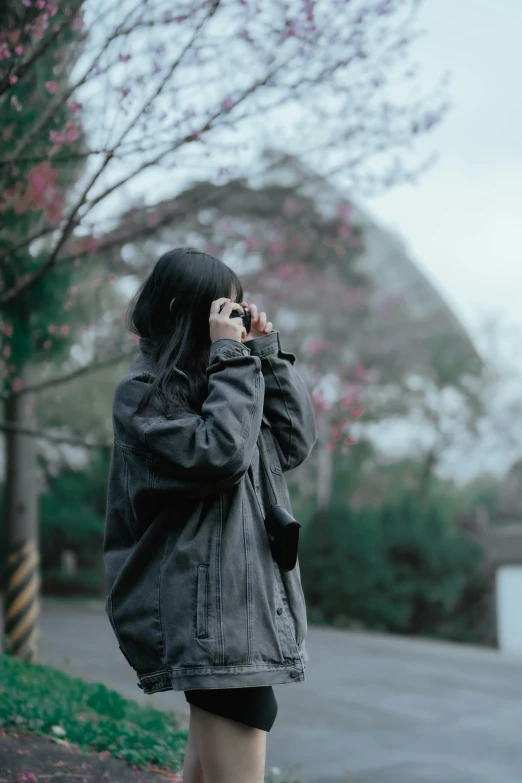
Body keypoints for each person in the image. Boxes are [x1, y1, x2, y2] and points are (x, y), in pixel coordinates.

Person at [103, 247, 317, 783]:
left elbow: (292, 444)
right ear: (184, 308)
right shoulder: (145, 392)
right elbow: (219, 454)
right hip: (208, 610)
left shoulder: (225, 379)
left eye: (237, 309)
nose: (234, 320)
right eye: (223, 308)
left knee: (209, 761)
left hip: (235, 603)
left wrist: (264, 354)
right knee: (243, 715)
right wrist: (231, 358)